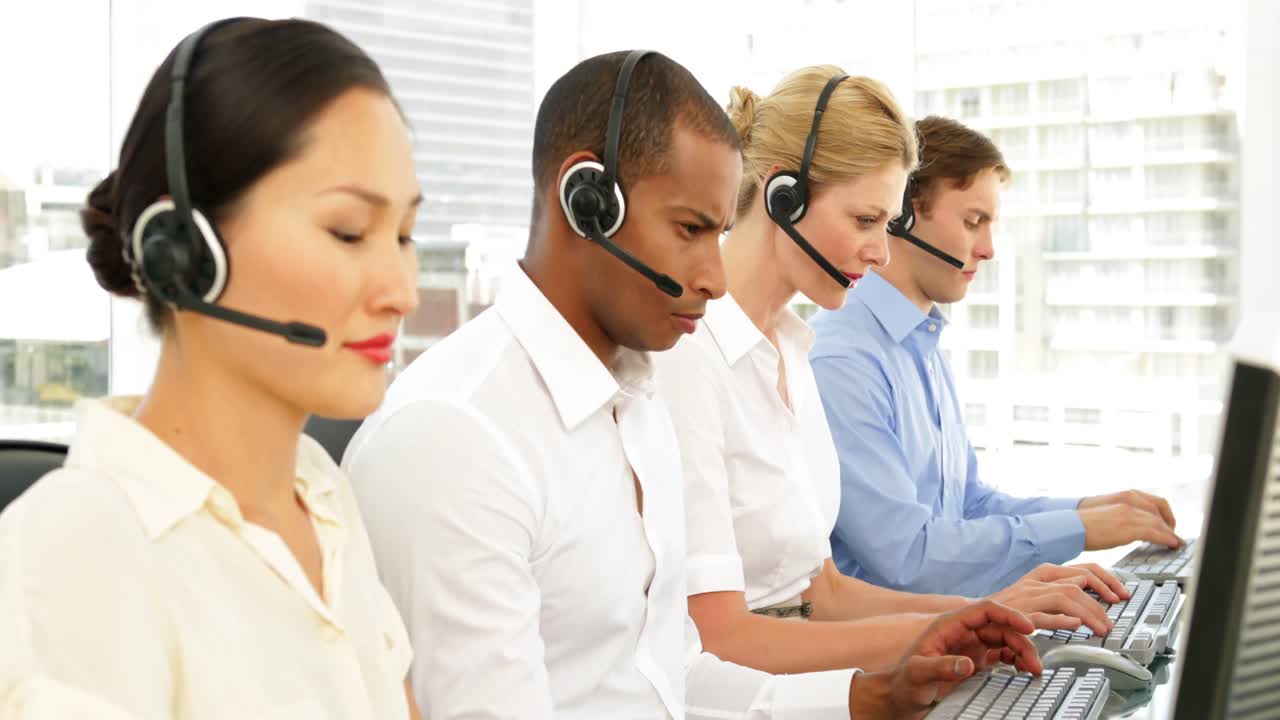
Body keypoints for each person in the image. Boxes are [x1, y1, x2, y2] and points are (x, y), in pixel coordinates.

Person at [344, 51, 1040, 719]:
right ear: (587, 202)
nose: (713, 279)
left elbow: (670, 676)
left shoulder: (635, 400)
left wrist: (871, 701)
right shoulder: (455, 435)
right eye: (689, 230)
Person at [0, 18, 423, 719]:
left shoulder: (319, 491)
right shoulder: (72, 554)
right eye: (349, 231)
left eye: (404, 235)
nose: (402, 288)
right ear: (185, 253)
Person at [654, 67, 1128, 677]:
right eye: (864, 220)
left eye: (888, 223)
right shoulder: (691, 357)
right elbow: (718, 638)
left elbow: (819, 593)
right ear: (783, 197)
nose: (881, 252)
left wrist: (984, 613)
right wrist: (940, 631)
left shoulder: (792, 354)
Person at [811, 115, 1182, 598]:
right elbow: (909, 555)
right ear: (900, 214)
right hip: (883, 659)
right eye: (972, 222)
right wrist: (1080, 531)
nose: (987, 249)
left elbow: (968, 505)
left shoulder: (921, 347)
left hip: (942, 639)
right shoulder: (844, 359)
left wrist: (1089, 511)